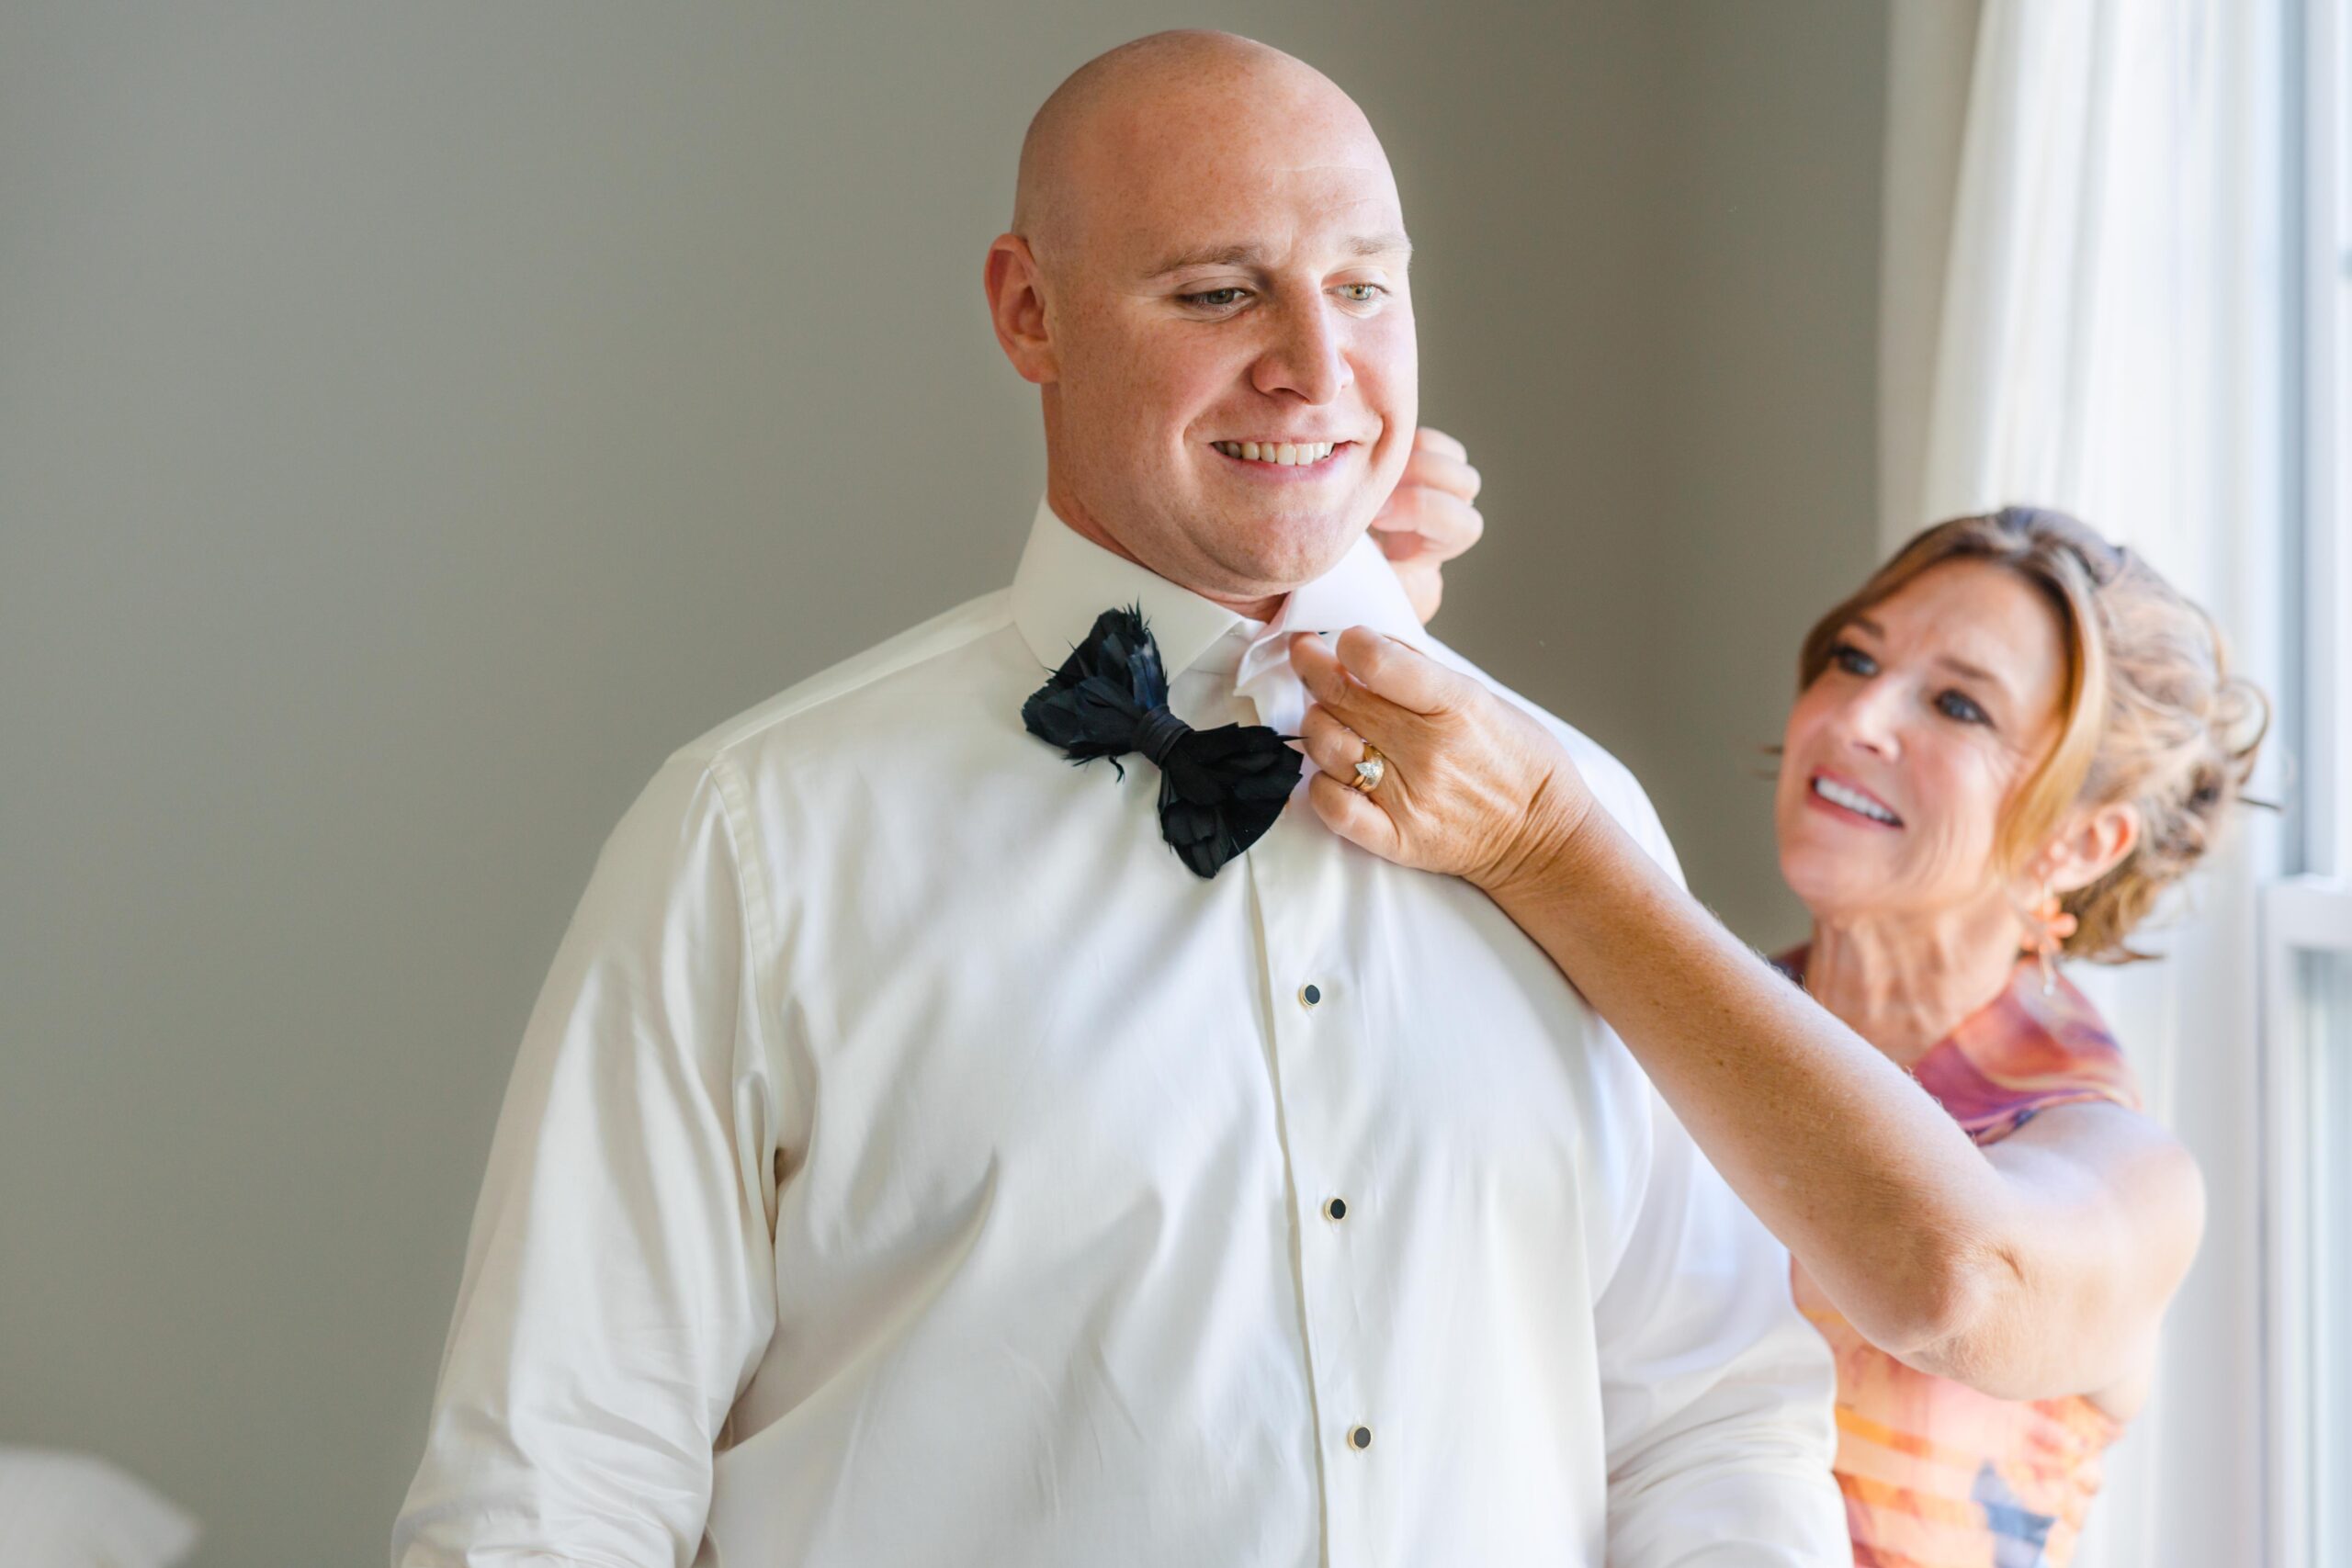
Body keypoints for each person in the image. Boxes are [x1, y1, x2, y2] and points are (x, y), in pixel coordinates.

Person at [392, 29, 1848, 1567]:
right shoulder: (755, 843)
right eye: (1221, 293)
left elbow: (1709, 1408)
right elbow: (552, 1489)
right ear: (1031, 310)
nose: (1317, 368)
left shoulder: (1580, 820)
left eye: (1362, 286)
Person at [1288, 504, 2267, 1565]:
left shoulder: (2124, 1169)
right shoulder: (1652, 1029)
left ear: (2084, 840)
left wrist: (1554, 847)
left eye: (1956, 705)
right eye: (1853, 658)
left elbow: (1954, 1282)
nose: (1856, 718)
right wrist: (1348, 620)